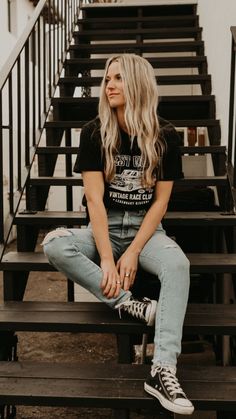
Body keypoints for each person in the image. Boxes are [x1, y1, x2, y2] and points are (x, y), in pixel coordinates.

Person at [43, 53, 194, 416]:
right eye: (107, 79)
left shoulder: (166, 136)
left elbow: (160, 203)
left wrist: (133, 251)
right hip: (105, 227)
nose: (108, 85)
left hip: (146, 228)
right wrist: (109, 258)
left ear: (138, 83)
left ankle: (162, 370)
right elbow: (94, 200)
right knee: (55, 243)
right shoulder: (96, 132)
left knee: (178, 265)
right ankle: (129, 305)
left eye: (117, 78)